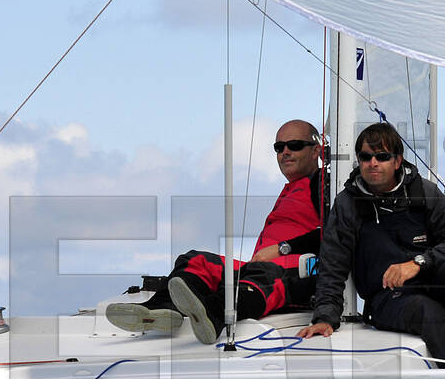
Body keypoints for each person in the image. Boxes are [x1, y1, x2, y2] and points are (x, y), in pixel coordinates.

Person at [299, 122, 445, 369]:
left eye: (382, 156)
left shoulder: (423, 192)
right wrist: (325, 317)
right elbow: (333, 263)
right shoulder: (348, 203)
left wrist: (419, 263)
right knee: (424, 310)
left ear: (397, 160)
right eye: (366, 157)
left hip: (433, 282)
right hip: (388, 299)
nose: (373, 163)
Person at [108, 118, 327, 344]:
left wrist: (282, 249)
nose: (285, 152)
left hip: (297, 275)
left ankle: (213, 314)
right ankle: (162, 308)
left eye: (294, 145)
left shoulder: (323, 183)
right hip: (259, 269)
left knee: (257, 279)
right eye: (279, 147)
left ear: (316, 151)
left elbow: (333, 232)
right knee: (194, 261)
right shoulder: (293, 189)